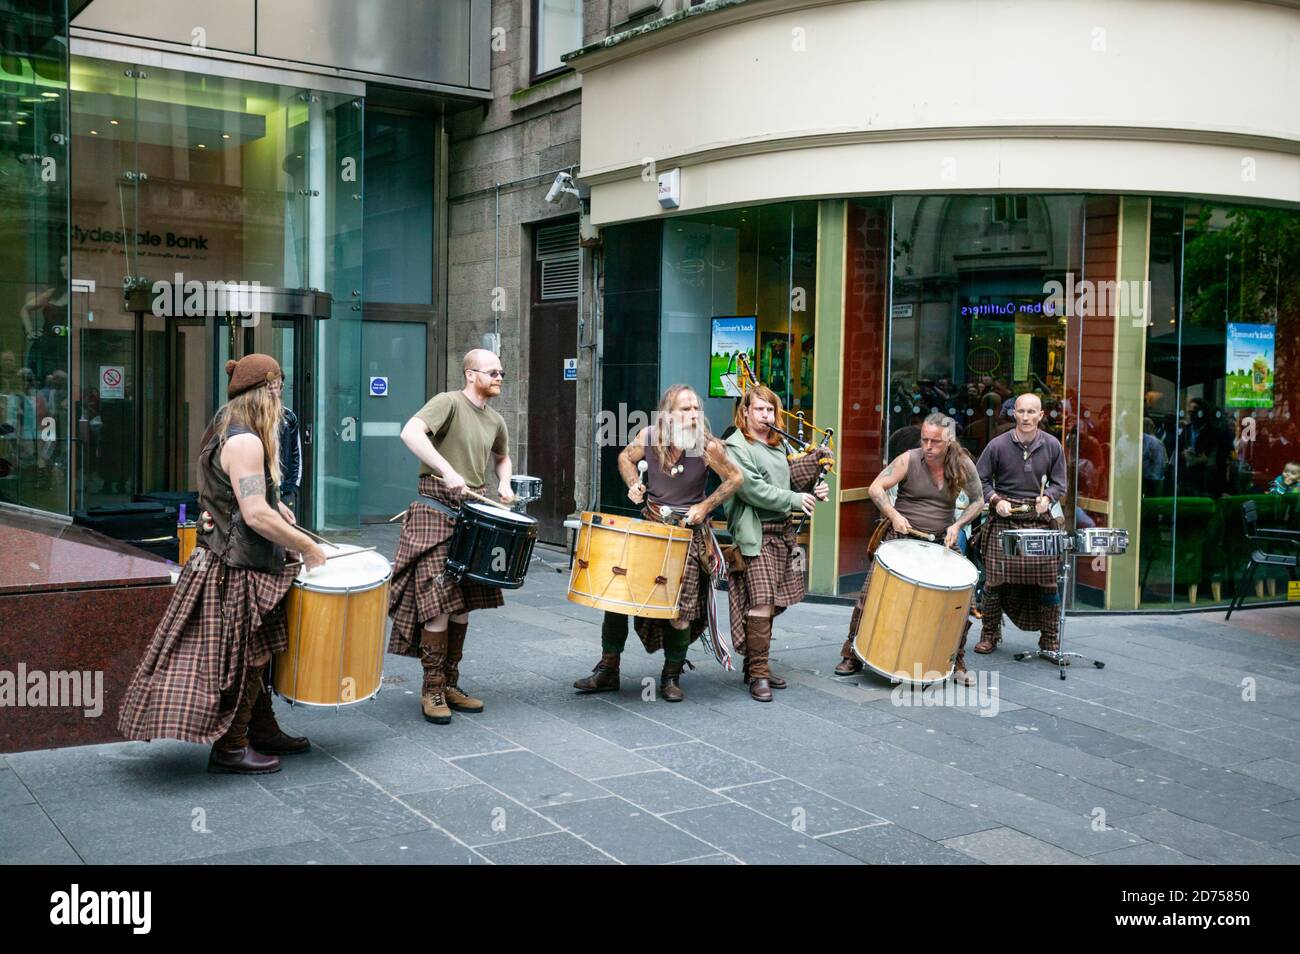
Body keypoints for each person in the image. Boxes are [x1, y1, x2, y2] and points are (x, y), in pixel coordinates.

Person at [117, 354, 326, 774]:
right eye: (277, 388)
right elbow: (253, 515)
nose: (280, 400)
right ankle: (231, 746)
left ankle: (261, 730)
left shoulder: (222, 430)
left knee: (259, 649)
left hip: (229, 559)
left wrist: (275, 505)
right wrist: (308, 547)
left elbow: (234, 499)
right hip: (238, 567)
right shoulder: (246, 440)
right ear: (263, 393)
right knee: (248, 656)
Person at [573, 385, 742, 702]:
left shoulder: (707, 446)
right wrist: (634, 484)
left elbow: (735, 478)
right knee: (617, 596)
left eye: (695, 408)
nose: (692, 414)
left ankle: (671, 677)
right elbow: (625, 457)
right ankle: (608, 669)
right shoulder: (650, 436)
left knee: (682, 609)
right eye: (684, 409)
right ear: (668, 413)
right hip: (650, 527)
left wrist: (705, 507)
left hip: (687, 535)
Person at [388, 349, 515, 725]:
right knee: (438, 603)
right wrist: (446, 470)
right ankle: (432, 688)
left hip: (471, 515)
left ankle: (451, 683)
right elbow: (409, 432)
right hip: (436, 510)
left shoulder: (495, 419)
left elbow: (502, 457)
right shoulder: (448, 403)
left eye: (502, 372)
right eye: (493, 372)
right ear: (470, 373)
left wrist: (504, 483)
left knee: (462, 604)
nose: (499, 377)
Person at [835, 413, 984, 685]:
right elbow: (876, 488)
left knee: (961, 602)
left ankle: (956, 658)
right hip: (902, 537)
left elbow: (978, 501)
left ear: (949, 440)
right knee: (869, 596)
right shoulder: (909, 459)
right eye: (925, 439)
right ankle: (852, 652)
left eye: (935, 441)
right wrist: (893, 515)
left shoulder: (963, 464)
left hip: (941, 540)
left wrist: (958, 525)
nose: (928, 446)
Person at [722, 386, 831, 701]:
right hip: (757, 536)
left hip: (785, 538)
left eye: (770, 410)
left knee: (783, 595)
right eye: (759, 410)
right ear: (745, 412)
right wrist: (798, 499)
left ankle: (757, 659)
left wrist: (814, 480)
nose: (765, 416)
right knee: (761, 601)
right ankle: (757, 673)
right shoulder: (736, 446)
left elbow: (790, 480)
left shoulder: (778, 443)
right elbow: (752, 490)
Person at [971, 392, 1068, 655]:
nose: (1026, 417)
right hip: (1004, 519)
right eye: (1021, 411)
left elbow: (1060, 483)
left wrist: (1048, 498)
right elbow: (980, 481)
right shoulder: (997, 445)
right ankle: (990, 634)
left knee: (1048, 581)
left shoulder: (1052, 445)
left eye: (1031, 412)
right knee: (994, 582)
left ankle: (1049, 639)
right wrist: (994, 500)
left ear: (1041, 415)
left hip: (1039, 521)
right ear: (1013, 413)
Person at [277, 395, 303, 517]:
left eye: (277, 384)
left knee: (288, 526)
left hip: (285, 486)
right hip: (263, 486)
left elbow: (295, 451)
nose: (272, 388)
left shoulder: (289, 416)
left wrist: (294, 485)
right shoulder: (254, 416)